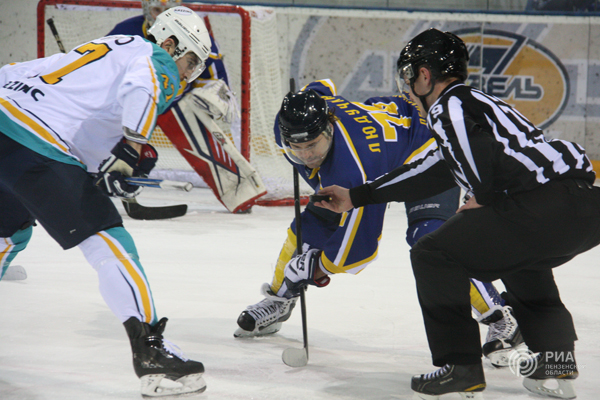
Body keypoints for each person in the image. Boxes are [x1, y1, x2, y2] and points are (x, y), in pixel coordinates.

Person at [316, 28, 600, 400]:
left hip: (539, 206)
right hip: (583, 208)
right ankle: (556, 360)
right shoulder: (482, 105)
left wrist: (484, 194)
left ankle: (461, 367)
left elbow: (473, 150)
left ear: (424, 75)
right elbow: (430, 170)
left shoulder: (449, 105)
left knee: (432, 255)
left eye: (408, 76)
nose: (407, 88)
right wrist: (357, 196)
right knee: (521, 259)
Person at [233, 79, 523, 367]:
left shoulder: (354, 170)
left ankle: (500, 315)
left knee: (431, 239)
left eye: (312, 145)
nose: (307, 155)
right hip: (391, 136)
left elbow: (359, 251)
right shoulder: (289, 124)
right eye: (297, 148)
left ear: (329, 128)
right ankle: (280, 299)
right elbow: (323, 86)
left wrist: (316, 268)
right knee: (311, 224)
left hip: (426, 153)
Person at [0, 6, 212, 397]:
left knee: (10, 232)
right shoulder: (154, 56)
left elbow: (15, 73)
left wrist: (108, 165)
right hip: (36, 144)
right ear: (170, 43)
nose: (190, 74)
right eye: (192, 62)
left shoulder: (110, 46)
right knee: (110, 242)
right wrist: (132, 149)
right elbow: (145, 85)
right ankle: (151, 352)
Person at [108, 0, 250, 214]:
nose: (160, 17)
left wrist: (209, 97)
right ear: (146, 10)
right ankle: (97, 178)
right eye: (156, 10)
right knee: (114, 142)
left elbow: (216, 81)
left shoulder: (195, 37)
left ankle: (238, 191)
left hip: (175, 106)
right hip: (133, 102)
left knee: (198, 124)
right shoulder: (126, 31)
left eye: (166, 11)